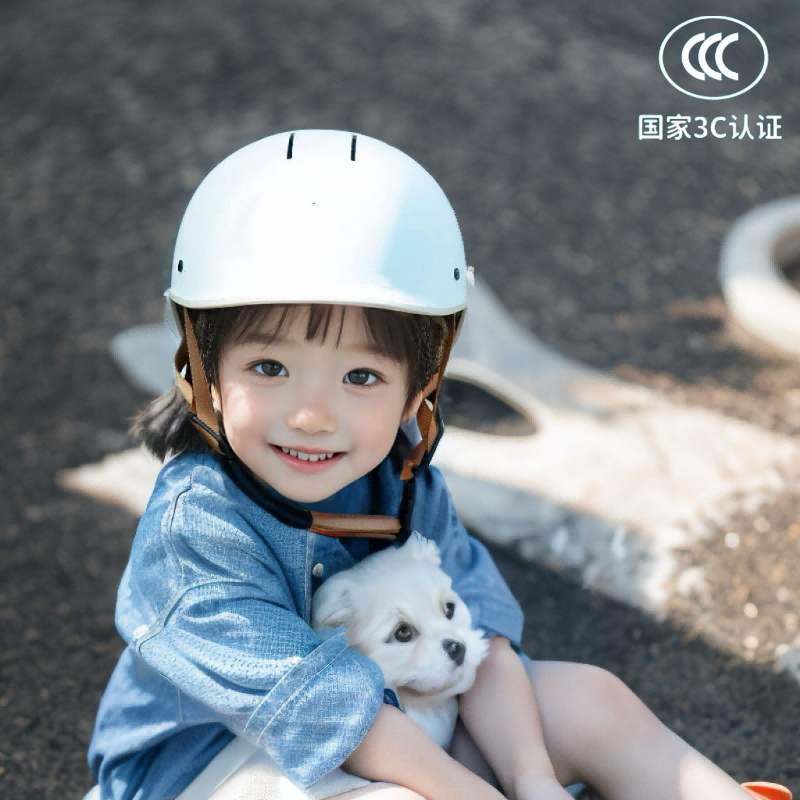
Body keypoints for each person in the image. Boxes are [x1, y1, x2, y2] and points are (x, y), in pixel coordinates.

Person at [86, 130, 790, 800]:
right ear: (202, 369)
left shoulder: (404, 478)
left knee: (589, 701)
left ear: (418, 388)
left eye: (360, 377)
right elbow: (319, 705)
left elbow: (475, 636)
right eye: (270, 366)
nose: (311, 414)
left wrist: (532, 779)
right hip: (209, 770)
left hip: (396, 726)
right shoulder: (197, 530)